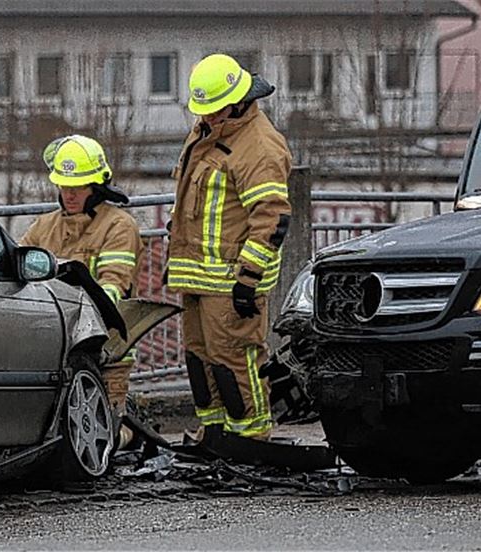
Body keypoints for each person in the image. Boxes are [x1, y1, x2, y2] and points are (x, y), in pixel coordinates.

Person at [167, 54, 292, 441]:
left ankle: (251, 435)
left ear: (238, 102)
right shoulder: (207, 132)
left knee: (235, 360)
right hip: (198, 274)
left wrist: (248, 280)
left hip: (231, 279)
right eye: (204, 110)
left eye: (215, 110)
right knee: (200, 359)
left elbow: (271, 219)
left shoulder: (259, 146)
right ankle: (215, 432)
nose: (207, 116)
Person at [21, 135, 144, 436]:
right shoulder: (44, 226)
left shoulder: (119, 226)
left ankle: (127, 433)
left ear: (97, 187)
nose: (69, 194)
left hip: (107, 352)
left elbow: (113, 286)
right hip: (55, 349)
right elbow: (20, 267)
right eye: (64, 186)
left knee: (103, 432)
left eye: (77, 187)